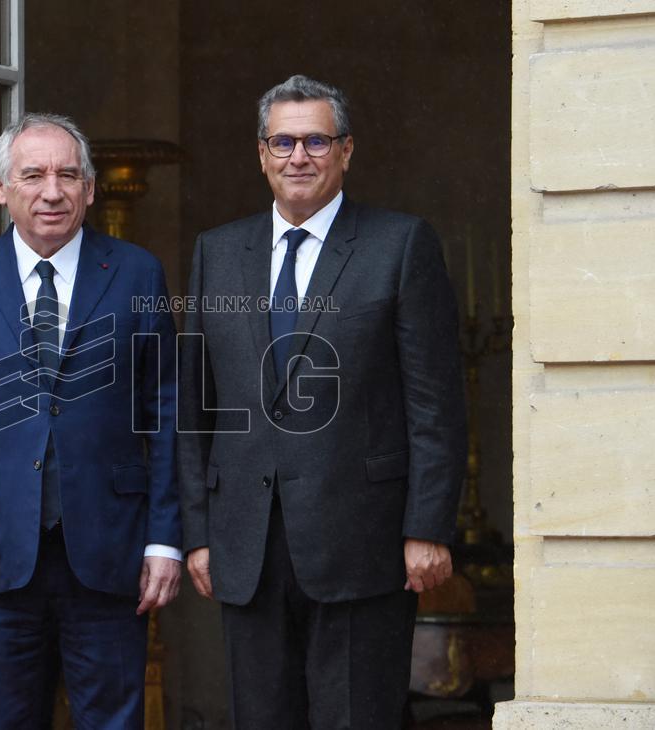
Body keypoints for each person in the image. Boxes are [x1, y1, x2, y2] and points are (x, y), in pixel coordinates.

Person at [178, 75, 467, 729]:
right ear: (261, 152)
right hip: (246, 541)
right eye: (282, 141)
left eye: (315, 140)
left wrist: (426, 527)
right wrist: (197, 531)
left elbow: (434, 403)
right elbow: (194, 408)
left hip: (364, 542)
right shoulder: (217, 253)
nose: (297, 156)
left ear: (346, 151)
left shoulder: (399, 246)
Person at [0, 112, 182, 730]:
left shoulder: (137, 273)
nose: (52, 191)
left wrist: (165, 539)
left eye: (68, 175)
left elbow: (165, 417)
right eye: (32, 175)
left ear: (90, 189)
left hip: (110, 557)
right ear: (0, 187)